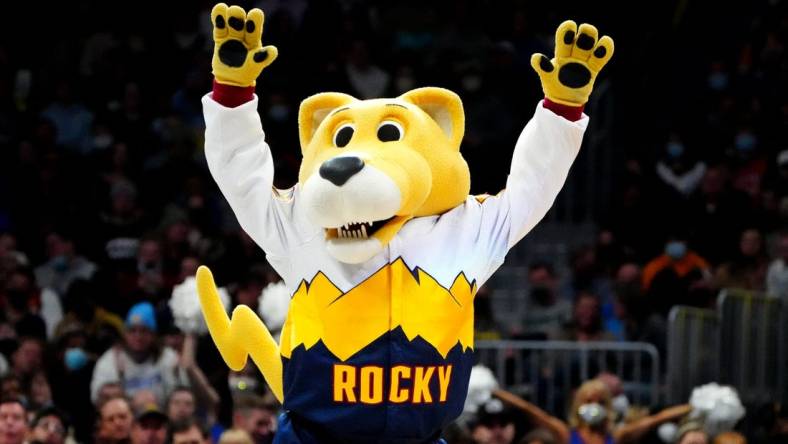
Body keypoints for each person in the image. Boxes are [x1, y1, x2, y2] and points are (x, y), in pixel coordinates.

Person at [493, 378, 691, 443]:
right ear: (578, 404)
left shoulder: (618, 435)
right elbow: (529, 409)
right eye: (588, 401)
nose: (594, 406)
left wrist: (700, 405)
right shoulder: (565, 434)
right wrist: (494, 391)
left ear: (608, 406)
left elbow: (657, 418)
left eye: (600, 402)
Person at [91, 302, 189, 404]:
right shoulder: (110, 360)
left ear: (154, 334)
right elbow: (97, 399)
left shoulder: (168, 357)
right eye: (132, 330)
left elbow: (186, 393)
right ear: (124, 334)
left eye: (144, 331)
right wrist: (128, 400)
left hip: (163, 416)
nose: (138, 337)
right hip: (126, 416)